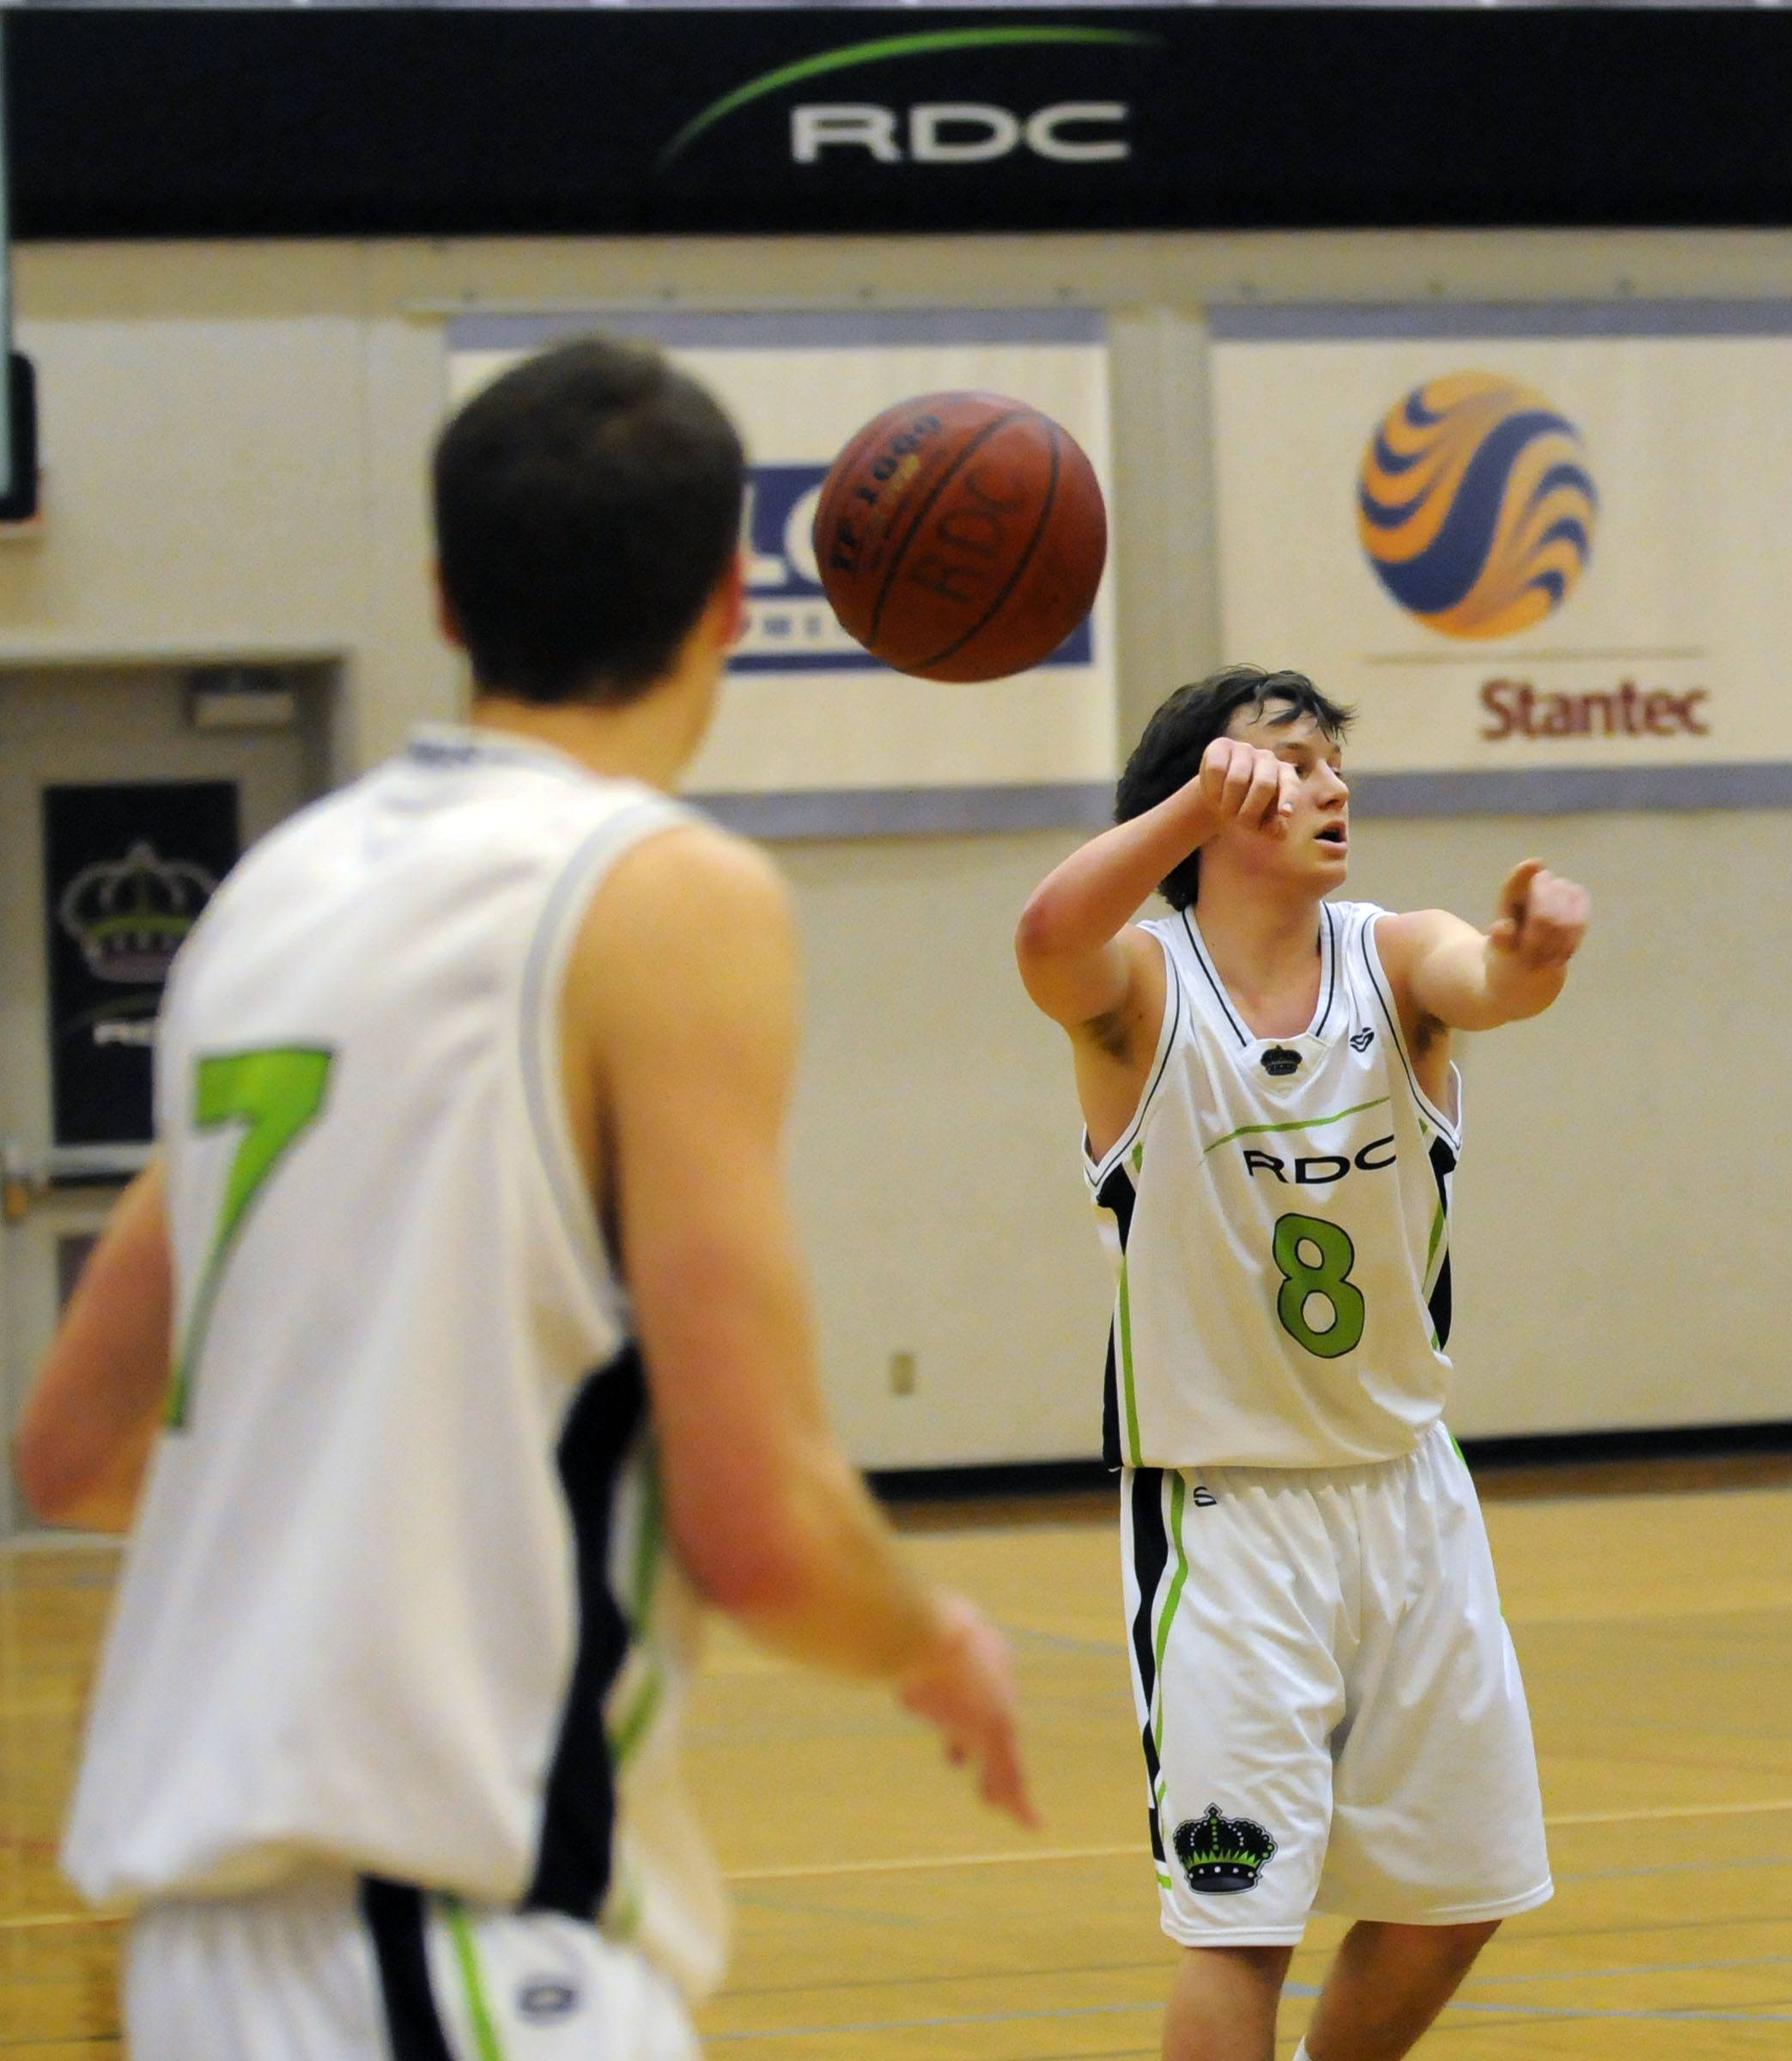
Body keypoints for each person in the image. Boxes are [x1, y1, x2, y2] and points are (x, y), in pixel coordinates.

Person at [16, 335, 1032, 2060]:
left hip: (194, 1961)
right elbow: (758, 1523)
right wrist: (928, 1635)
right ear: (731, 596)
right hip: (455, 1948)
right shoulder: (663, 895)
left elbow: (74, 1449)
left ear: (442, 596)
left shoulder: (276, 894)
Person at [1014, 664, 1587, 2061]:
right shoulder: (1142, 995)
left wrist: (1535, 951)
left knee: (1463, 1897)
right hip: (1227, 1517)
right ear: (1204, 800)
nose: (1329, 785)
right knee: (1241, 1924)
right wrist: (1186, 803)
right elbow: (1046, 934)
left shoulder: (1394, 959)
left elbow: (1489, 983)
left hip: (1408, 1496)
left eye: (1336, 762)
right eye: (1289, 761)